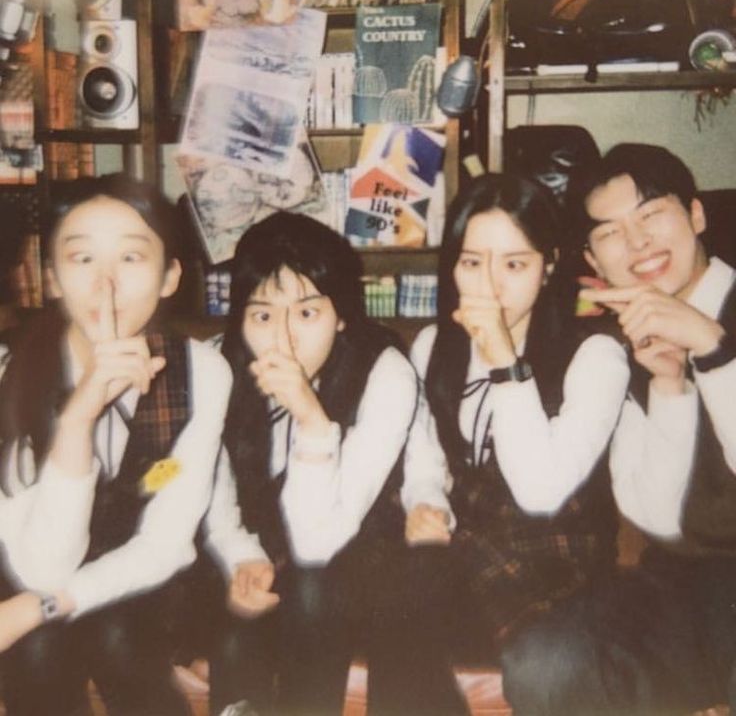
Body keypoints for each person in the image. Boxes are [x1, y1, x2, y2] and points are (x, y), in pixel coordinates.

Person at [367, 173, 630, 715]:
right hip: (467, 548)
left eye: (515, 264)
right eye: (471, 263)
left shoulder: (596, 355)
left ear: (549, 264)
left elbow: (541, 492)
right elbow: (426, 453)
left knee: (545, 660)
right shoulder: (436, 344)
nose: (489, 286)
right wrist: (426, 502)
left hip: (560, 559)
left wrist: (507, 361)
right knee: (394, 596)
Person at [0, 173, 232, 716]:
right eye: (82, 259)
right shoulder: (10, 377)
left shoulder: (203, 372)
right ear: (51, 277)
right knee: (36, 654)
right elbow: (39, 568)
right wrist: (77, 419)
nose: (105, 285)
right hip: (27, 565)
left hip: (141, 578)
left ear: (170, 275)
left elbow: (164, 542)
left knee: (118, 637)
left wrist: (41, 608)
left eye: (131, 258)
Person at [200, 211, 418, 715]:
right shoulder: (216, 363)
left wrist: (311, 418)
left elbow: (319, 540)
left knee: (315, 593)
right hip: (252, 552)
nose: (284, 340)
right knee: (236, 638)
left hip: (354, 559)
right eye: (262, 316)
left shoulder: (385, 372)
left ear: (341, 315)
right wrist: (241, 557)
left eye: (306, 313)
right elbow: (214, 498)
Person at [573, 143, 736, 712]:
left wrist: (714, 350)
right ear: (594, 264)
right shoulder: (619, 344)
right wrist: (668, 389)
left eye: (650, 215)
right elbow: (654, 518)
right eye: (611, 233)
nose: (638, 244)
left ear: (695, 215)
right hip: (683, 584)